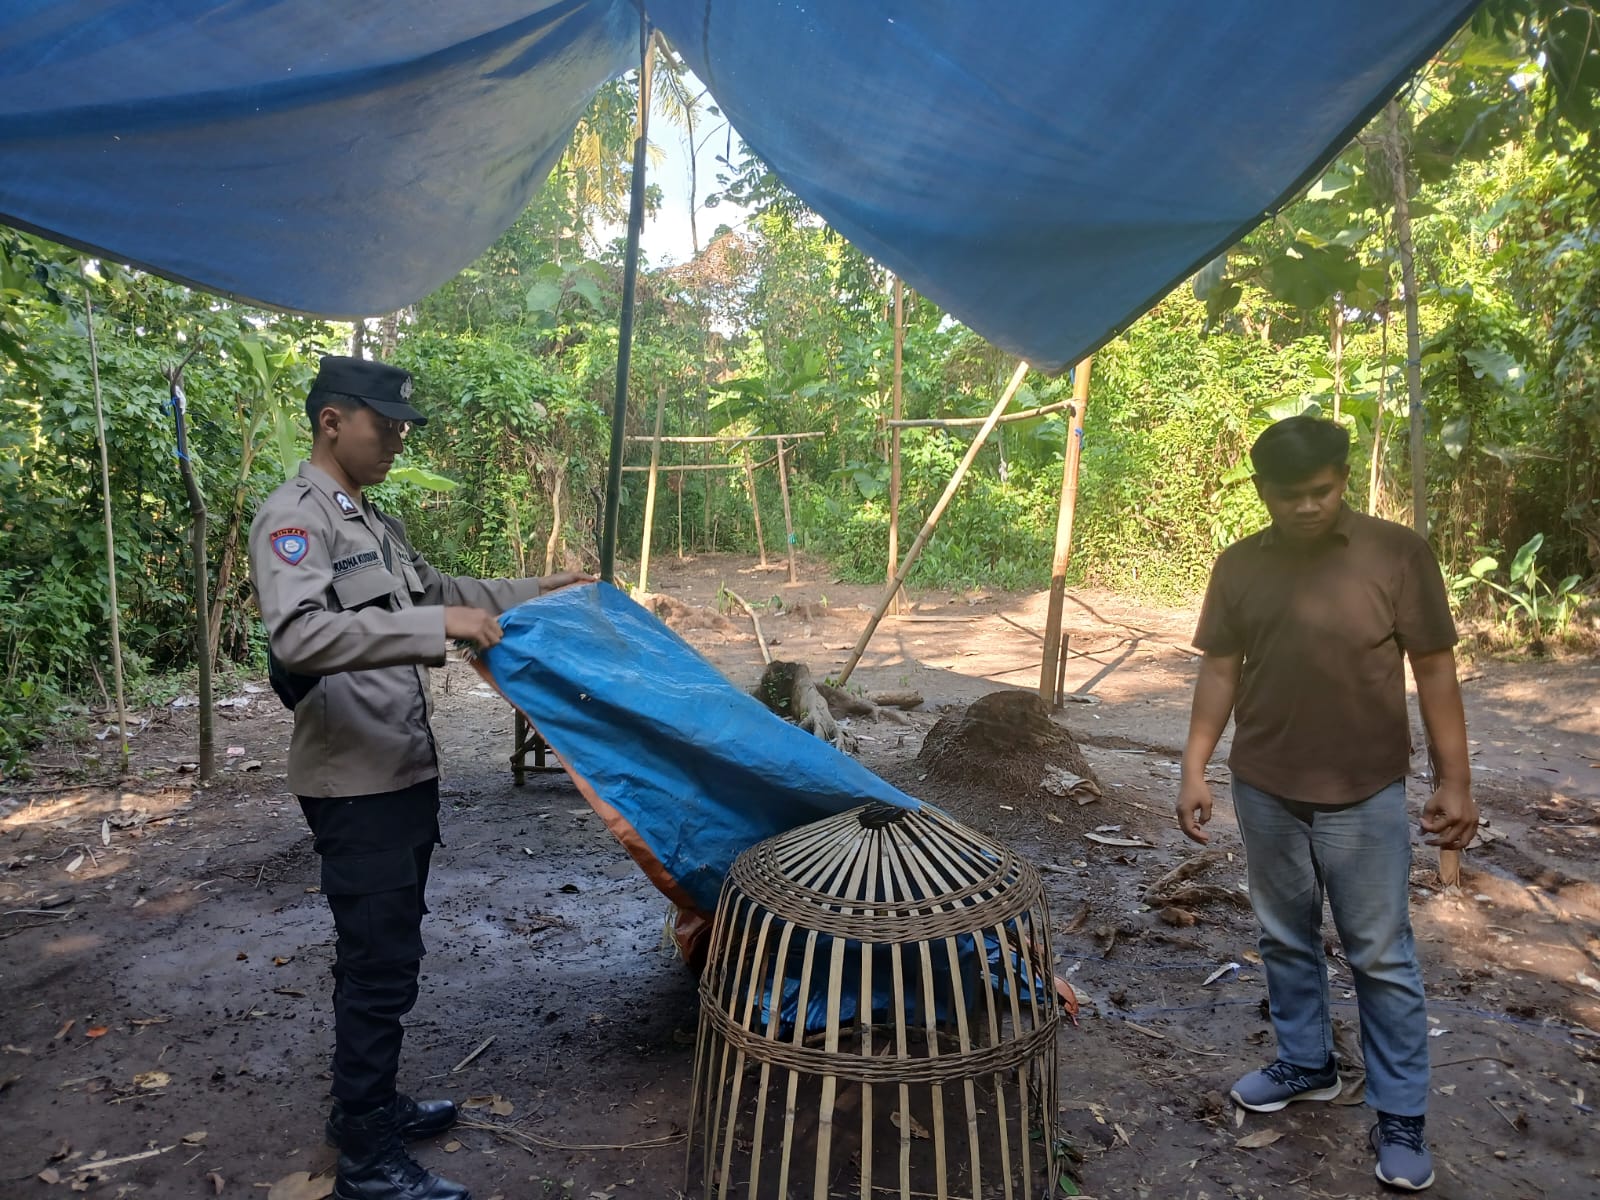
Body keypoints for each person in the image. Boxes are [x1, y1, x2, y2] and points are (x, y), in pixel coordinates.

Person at [248, 355, 590, 1200]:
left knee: (386, 954)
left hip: (398, 768)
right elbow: (299, 637)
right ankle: (365, 1156)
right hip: (351, 782)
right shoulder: (295, 520)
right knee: (378, 964)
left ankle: (367, 1105)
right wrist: (439, 624)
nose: (398, 438)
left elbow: (440, 589)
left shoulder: (374, 523)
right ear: (333, 421)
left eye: (402, 426)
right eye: (385, 423)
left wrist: (538, 588)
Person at [1176, 415, 1476, 1193]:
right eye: (1289, 495)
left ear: (1344, 478)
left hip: (1364, 792)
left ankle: (1401, 1113)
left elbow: (1436, 670)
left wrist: (1456, 780)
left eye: (1322, 490)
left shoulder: (1397, 555)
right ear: (1262, 492)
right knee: (1283, 935)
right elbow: (1219, 671)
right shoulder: (1238, 565)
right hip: (1265, 784)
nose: (1307, 506)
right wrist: (1195, 766)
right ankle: (1306, 1063)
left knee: (1380, 953)